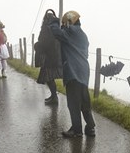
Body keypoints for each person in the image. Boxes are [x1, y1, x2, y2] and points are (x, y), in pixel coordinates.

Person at [47, 10, 96, 138]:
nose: (63, 26)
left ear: (69, 22)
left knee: (74, 103)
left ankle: (76, 130)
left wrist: (53, 21)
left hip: (73, 70)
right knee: (84, 100)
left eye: (65, 23)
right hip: (83, 70)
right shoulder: (82, 35)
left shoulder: (71, 32)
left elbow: (57, 33)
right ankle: (90, 127)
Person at [35, 9, 63, 105]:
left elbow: (44, 42)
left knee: (49, 78)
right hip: (55, 56)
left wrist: (37, 45)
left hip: (49, 57)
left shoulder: (47, 28)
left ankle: (54, 98)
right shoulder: (56, 27)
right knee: (50, 78)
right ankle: (53, 96)